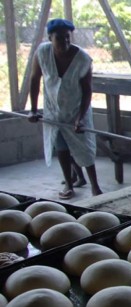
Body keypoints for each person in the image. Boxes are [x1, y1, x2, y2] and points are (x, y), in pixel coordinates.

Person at [28, 18, 102, 199]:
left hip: (77, 109)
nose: (65, 42)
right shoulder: (42, 53)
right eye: (60, 38)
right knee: (61, 147)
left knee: (85, 149)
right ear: (50, 38)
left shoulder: (83, 59)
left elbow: (87, 91)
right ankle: (69, 184)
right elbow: (34, 79)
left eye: (68, 37)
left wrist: (80, 118)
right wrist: (33, 109)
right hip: (54, 110)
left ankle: (95, 187)